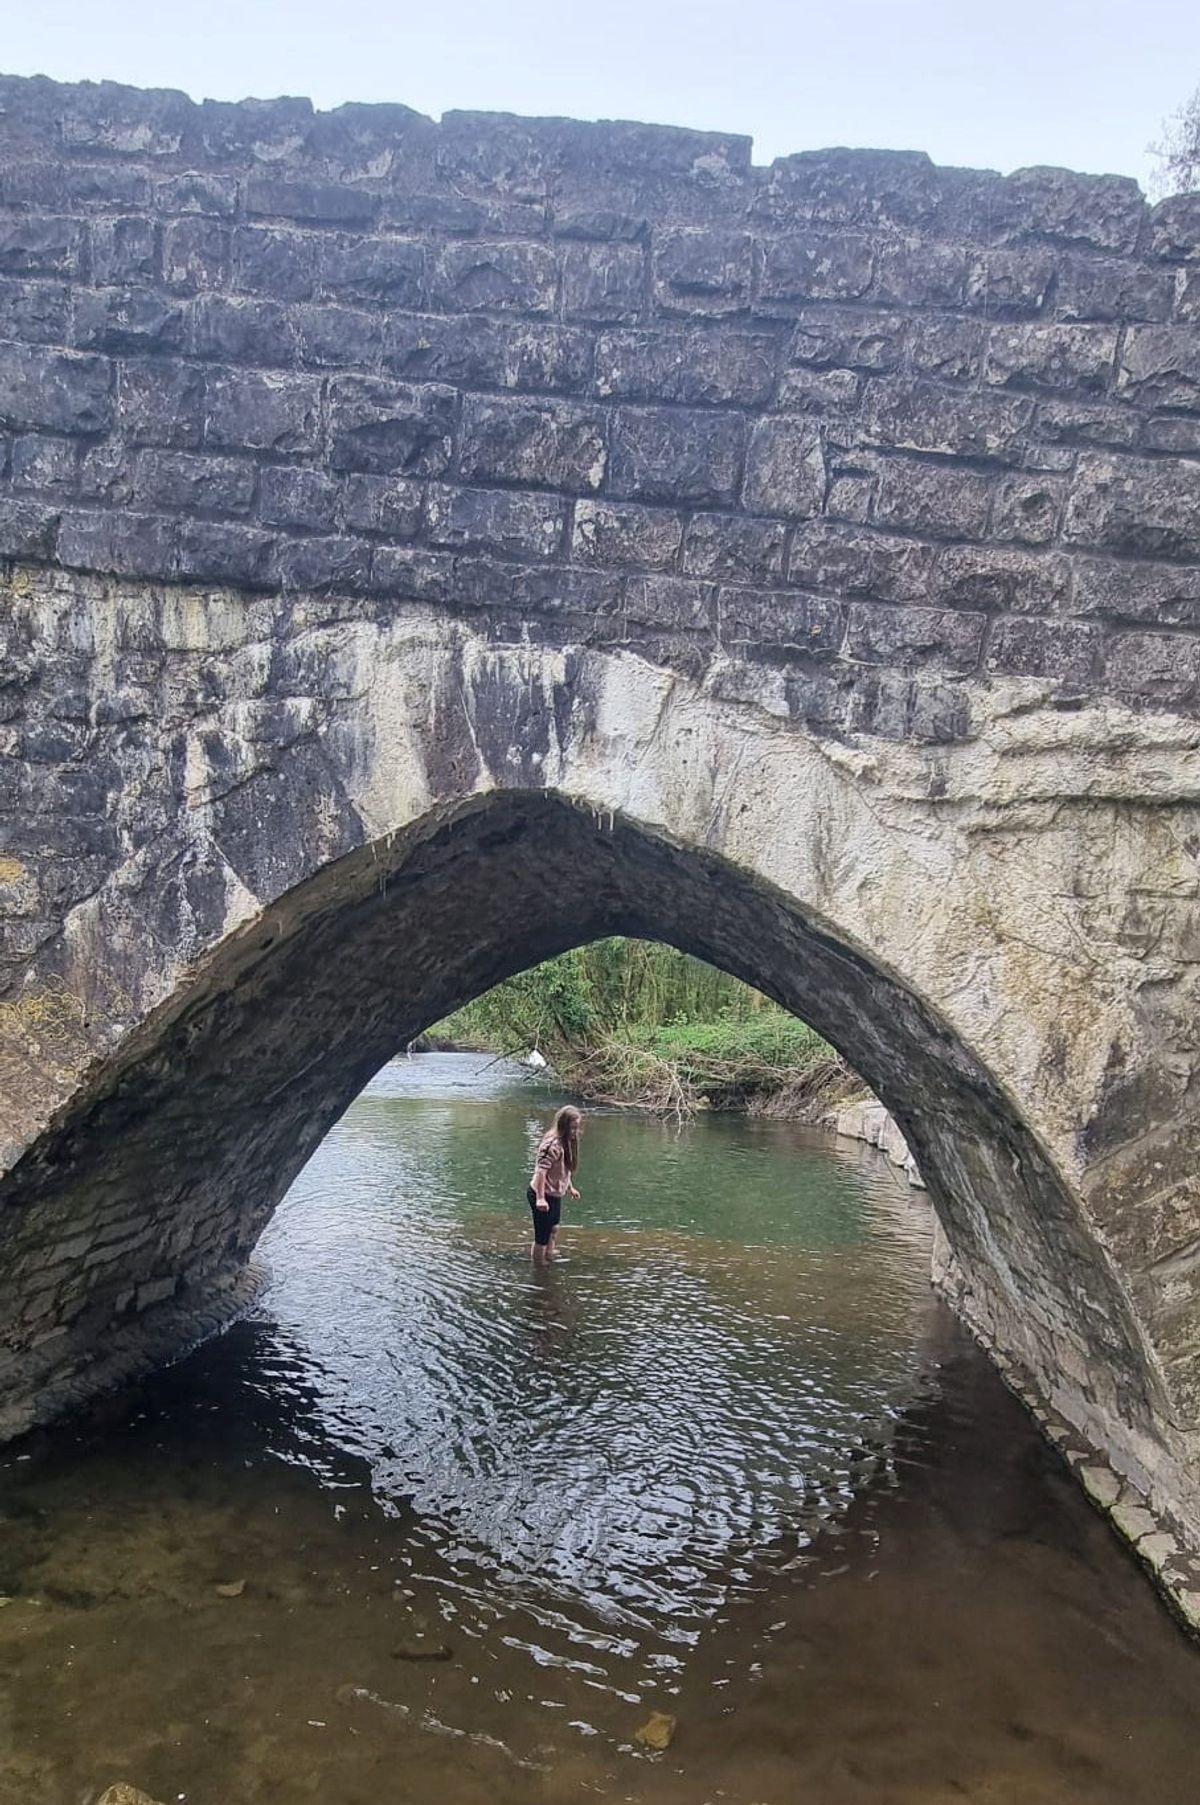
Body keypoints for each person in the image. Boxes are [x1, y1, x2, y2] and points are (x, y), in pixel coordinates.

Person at [527, 1105, 583, 1263]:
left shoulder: (567, 1142)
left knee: (554, 1228)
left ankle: (549, 1256)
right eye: (572, 1128)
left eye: (577, 1128)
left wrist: (570, 1187)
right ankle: (540, 1267)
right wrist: (540, 1198)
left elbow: (564, 1168)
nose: (575, 1132)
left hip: (555, 1194)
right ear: (563, 1126)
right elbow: (541, 1172)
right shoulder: (552, 1145)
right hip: (542, 1194)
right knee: (542, 1237)